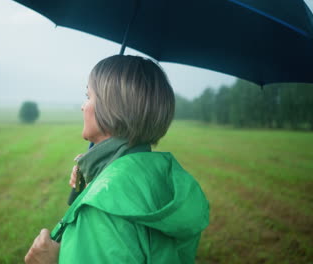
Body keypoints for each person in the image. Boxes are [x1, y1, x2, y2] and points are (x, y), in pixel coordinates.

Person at [25, 55, 209, 264]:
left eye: (88, 96)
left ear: (111, 109)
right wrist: (97, 177)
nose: (82, 107)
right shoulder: (156, 172)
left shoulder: (102, 205)